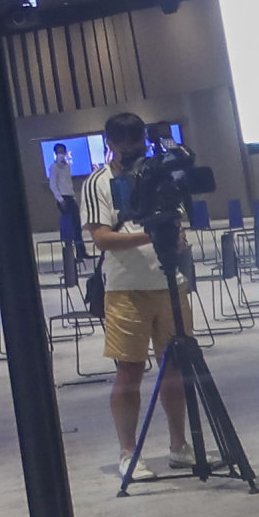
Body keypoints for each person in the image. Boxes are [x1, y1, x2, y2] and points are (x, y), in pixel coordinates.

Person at [78, 108, 181, 480]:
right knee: (129, 371)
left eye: (136, 143)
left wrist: (171, 240)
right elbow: (102, 238)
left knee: (174, 369)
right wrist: (150, 235)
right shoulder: (98, 182)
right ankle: (128, 452)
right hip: (124, 288)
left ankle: (179, 445)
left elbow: (177, 224)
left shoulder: (160, 175)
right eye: (123, 145)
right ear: (110, 145)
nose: (130, 151)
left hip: (168, 283)